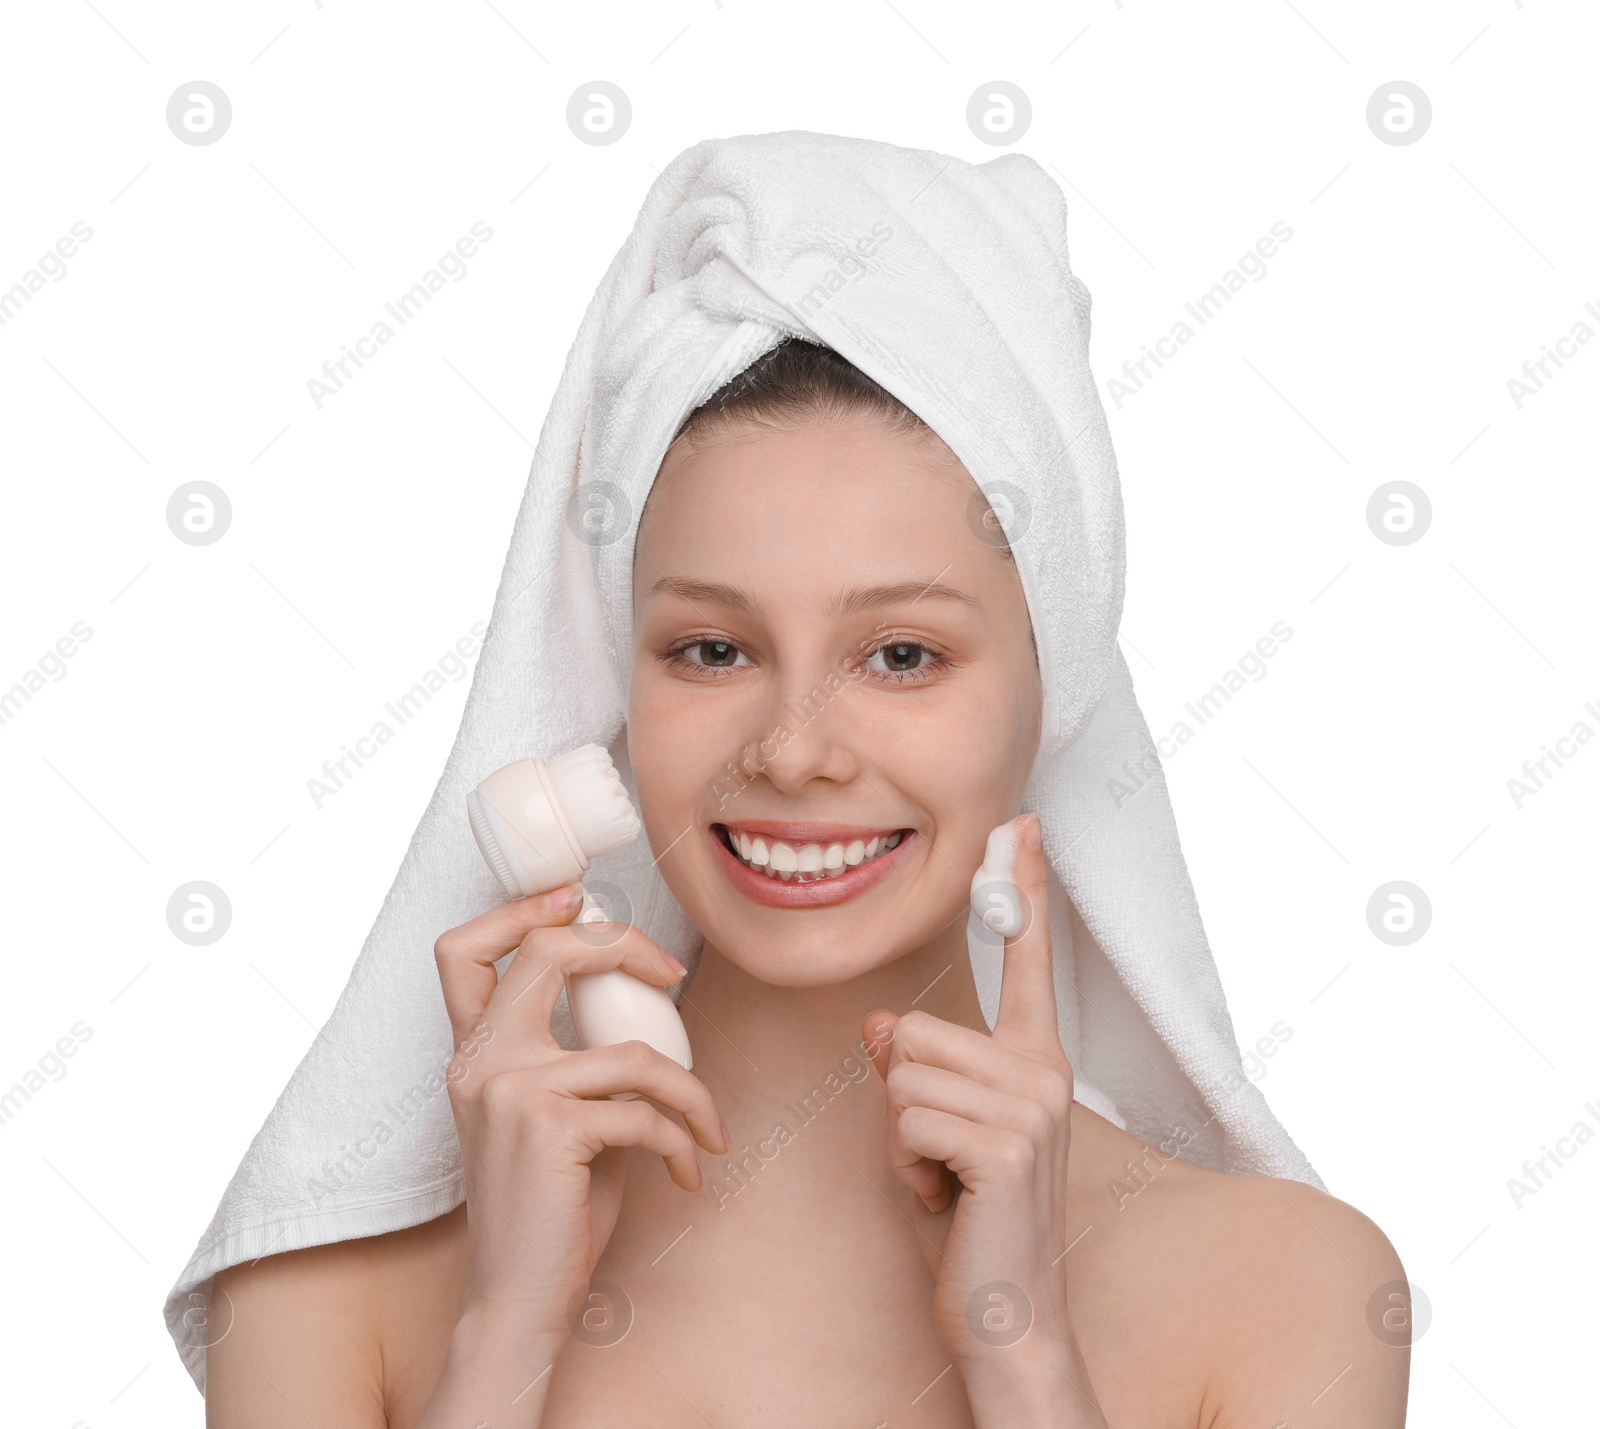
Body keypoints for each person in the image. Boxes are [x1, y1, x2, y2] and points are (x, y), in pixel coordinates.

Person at [205, 341, 1409, 1427]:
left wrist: (1025, 1351)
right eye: (711, 649)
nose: (792, 750)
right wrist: (504, 1335)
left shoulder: (1290, 1291)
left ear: (1056, 690)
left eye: (901, 655)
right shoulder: (321, 1298)